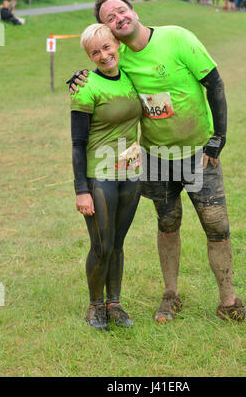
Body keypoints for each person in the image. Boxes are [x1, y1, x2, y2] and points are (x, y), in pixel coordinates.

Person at [68, 0, 246, 326]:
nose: (118, 18)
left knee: (217, 227)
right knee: (167, 224)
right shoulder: (119, 60)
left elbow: (214, 84)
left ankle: (229, 302)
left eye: (121, 10)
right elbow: (102, 74)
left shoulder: (177, 36)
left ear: (133, 11)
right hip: (157, 158)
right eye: (109, 18)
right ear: (109, 32)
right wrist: (80, 76)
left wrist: (219, 138)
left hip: (198, 155)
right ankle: (170, 296)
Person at [69, 23, 142, 330]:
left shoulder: (130, 76)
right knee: (102, 245)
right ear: (89, 55)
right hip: (100, 177)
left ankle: (114, 303)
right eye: (94, 52)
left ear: (117, 45)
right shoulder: (85, 87)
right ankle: (95, 306)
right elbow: (77, 143)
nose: (103, 55)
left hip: (131, 174)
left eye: (107, 47)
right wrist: (81, 190)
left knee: (119, 243)